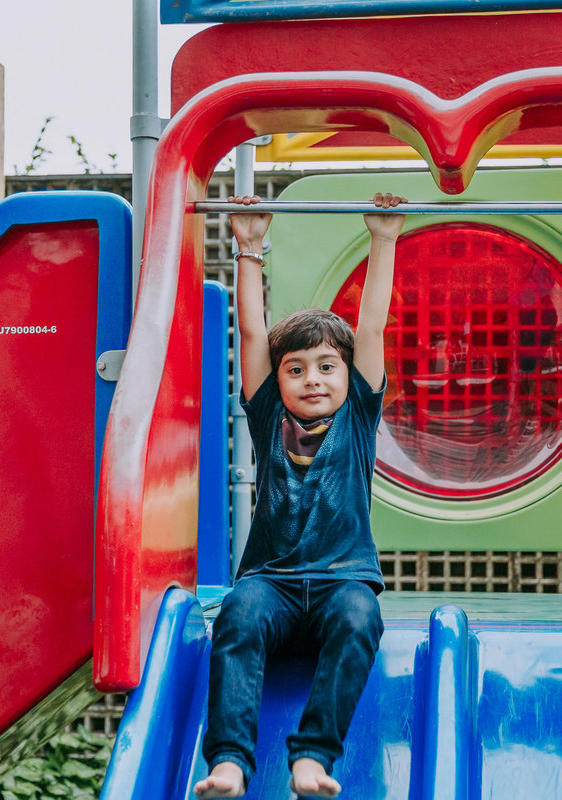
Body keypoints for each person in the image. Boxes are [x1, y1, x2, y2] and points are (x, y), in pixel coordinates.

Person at [193, 192, 407, 799]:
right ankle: (231, 760)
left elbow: (371, 325)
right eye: (296, 369)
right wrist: (249, 249)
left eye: (325, 366)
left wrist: (383, 239)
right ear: (277, 379)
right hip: (273, 582)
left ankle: (312, 757)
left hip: (345, 580)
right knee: (237, 614)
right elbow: (254, 331)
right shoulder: (267, 416)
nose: (312, 378)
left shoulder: (359, 415)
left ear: (348, 376)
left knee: (361, 618)